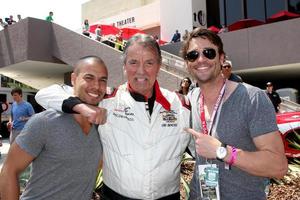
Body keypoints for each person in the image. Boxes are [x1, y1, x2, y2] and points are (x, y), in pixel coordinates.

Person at [35, 33, 194, 199]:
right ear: (124, 66)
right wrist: (83, 107)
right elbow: (45, 94)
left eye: (149, 63)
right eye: (133, 62)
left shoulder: (181, 105)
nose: (141, 71)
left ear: (159, 65)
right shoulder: (107, 99)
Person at [181, 28, 287, 200]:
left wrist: (222, 152)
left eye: (209, 53)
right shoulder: (192, 98)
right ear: (187, 63)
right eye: (193, 55)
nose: (201, 59)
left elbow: (278, 166)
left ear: (222, 58)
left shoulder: (252, 98)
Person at [0, 56, 107, 199]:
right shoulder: (45, 122)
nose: (96, 85)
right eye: (89, 78)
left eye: (102, 80)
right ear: (74, 79)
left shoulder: (102, 128)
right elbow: (9, 170)